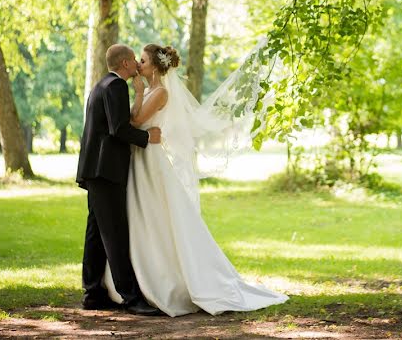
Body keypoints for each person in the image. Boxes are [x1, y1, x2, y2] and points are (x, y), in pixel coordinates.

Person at [102, 43, 288, 316]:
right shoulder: (151, 90)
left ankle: (163, 281)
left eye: (142, 60)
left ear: (154, 65)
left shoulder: (160, 92)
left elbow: (136, 119)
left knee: (154, 217)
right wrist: (140, 92)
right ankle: (135, 280)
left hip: (150, 160)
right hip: (139, 158)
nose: (138, 64)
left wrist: (139, 92)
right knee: (139, 217)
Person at [77, 44, 164, 316]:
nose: (138, 64)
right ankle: (131, 297)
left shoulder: (100, 85)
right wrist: (148, 138)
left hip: (94, 170)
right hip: (107, 171)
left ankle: (93, 293)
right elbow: (118, 129)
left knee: (96, 233)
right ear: (126, 63)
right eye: (135, 61)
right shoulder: (116, 86)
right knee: (114, 234)